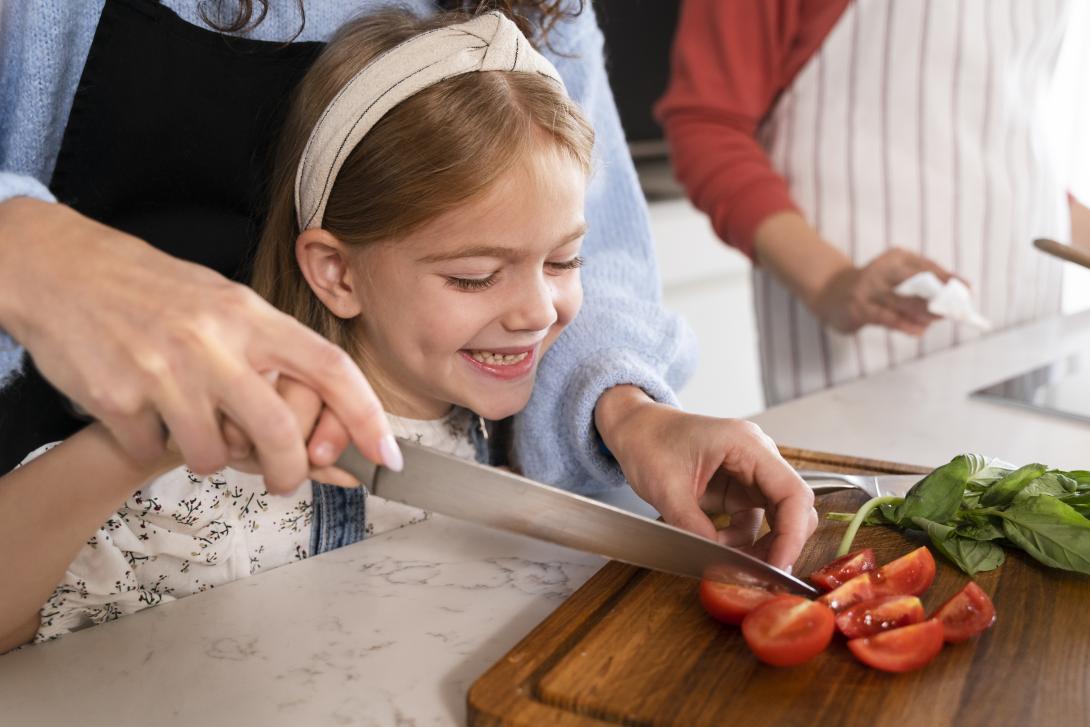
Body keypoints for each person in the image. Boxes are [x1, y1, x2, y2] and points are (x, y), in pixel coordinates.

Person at [0, 7, 817, 653]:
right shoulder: (200, 479)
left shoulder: (491, 434)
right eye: (472, 276)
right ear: (337, 271)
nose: (537, 312)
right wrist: (140, 440)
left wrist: (636, 414)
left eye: (565, 261)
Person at [657, 0, 1077, 406]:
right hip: (866, 340)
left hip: (1032, 322)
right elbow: (709, 123)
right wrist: (832, 281)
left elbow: (999, 124)